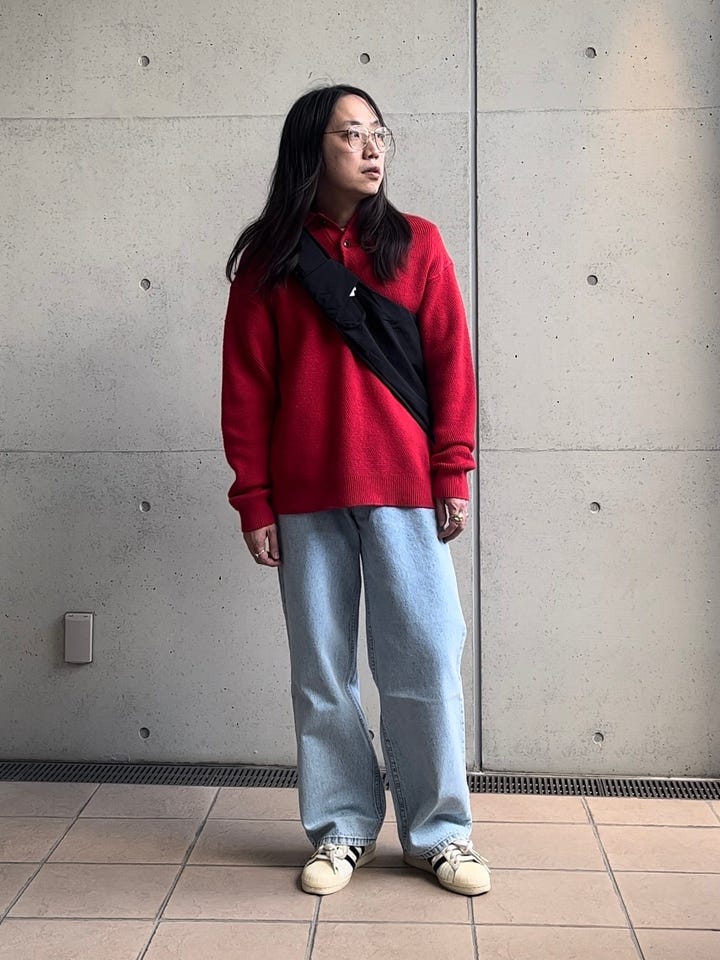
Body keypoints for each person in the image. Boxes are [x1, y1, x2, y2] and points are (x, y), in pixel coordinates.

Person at [221, 84, 490, 898]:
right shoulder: (270, 261)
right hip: (306, 495)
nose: (372, 148)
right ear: (313, 149)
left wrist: (452, 469)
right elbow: (246, 388)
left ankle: (439, 836)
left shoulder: (418, 245)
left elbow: (451, 364)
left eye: (378, 133)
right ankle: (342, 829)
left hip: (405, 488)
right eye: (350, 134)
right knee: (322, 672)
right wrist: (254, 498)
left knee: (426, 658)